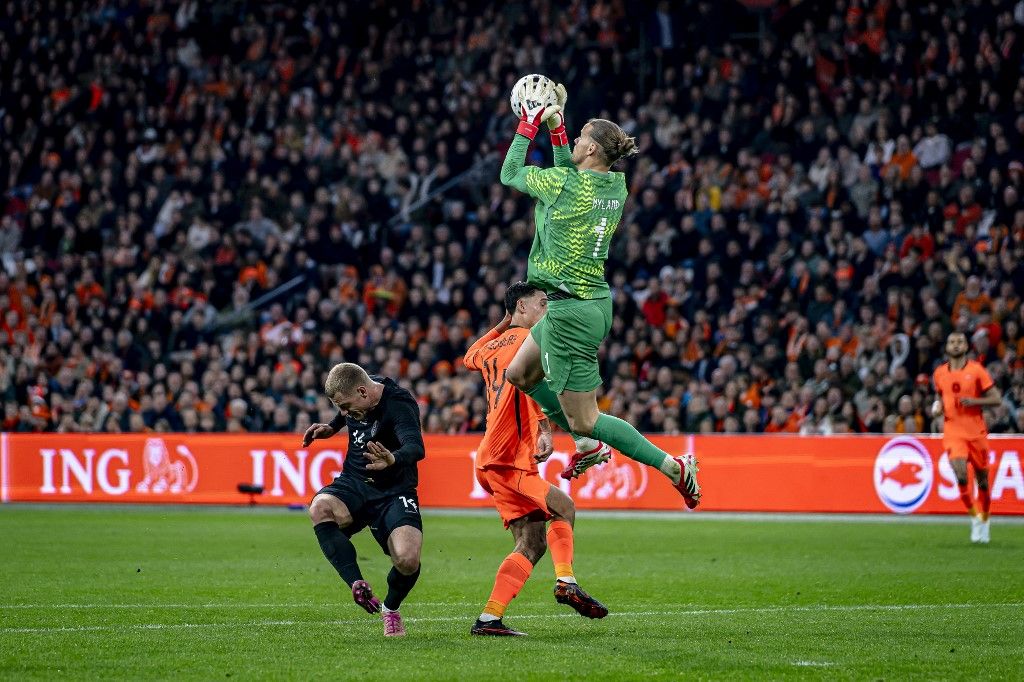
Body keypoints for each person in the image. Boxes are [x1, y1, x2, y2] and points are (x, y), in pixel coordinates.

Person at [499, 77, 700, 507]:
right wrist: (558, 129)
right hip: (585, 301)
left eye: (578, 138)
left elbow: (510, 172)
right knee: (519, 373)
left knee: (587, 419)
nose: (572, 141)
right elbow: (568, 174)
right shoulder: (614, 186)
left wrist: (531, 123)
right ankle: (587, 446)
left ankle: (672, 466)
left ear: (590, 149)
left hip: (571, 312)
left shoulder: (565, 185)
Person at [464, 281, 608, 636]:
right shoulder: (529, 344)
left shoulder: (492, 347)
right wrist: (546, 430)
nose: (548, 311)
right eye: (542, 304)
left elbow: (469, 356)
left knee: (531, 542)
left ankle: (489, 619)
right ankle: (566, 582)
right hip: (507, 456)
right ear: (524, 310)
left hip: (493, 456)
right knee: (565, 508)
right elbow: (532, 385)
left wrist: (504, 320)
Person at [302, 363, 426, 637]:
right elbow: (344, 410)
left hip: (395, 491)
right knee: (319, 508)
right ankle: (357, 583)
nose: (344, 413)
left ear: (362, 391)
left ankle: (390, 609)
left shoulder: (399, 404)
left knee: (407, 560)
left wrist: (392, 458)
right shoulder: (361, 390)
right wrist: (333, 427)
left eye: (345, 406)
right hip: (355, 483)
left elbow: (416, 447)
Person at [931, 331, 1003, 543]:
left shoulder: (977, 371)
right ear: (946, 347)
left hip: (976, 432)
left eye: (959, 342)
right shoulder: (940, 373)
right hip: (953, 431)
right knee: (961, 474)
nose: (955, 345)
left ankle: (986, 519)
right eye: (952, 342)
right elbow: (939, 397)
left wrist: (975, 402)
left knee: (982, 481)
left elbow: (996, 399)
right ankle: (974, 518)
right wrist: (937, 407)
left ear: (966, 346)